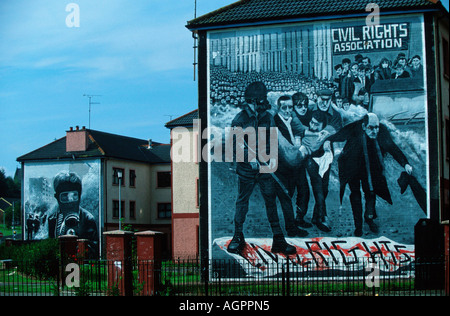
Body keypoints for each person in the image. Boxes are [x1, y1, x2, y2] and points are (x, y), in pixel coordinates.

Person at [227, 82, 297, 256]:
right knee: (242, 202)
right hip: (246, 170)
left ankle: (278, 240)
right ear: (253, 101)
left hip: (265, 168)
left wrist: (270, 161)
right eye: (262, 99)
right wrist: (250, 158)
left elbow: (272, 141)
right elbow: (235, 145)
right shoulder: (240, 119)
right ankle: (237, 236)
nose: (265, 102)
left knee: (271, 202)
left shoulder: (267, 117)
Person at [327, 113, 413, 236]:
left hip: (371, 167)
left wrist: (405, 164)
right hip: (352, 165)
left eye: (376, 127)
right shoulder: (354, 128)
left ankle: (369, 217)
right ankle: (358, 226)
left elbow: (392, 147)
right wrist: (327, 142)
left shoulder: (381, 131)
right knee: (355, 194)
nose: (374, 131)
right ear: (363, 126)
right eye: (371, 128)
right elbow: (337, 136)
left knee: (371, 192)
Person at [274, 95, 309, 237]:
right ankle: (291, 228)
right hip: (284, 164)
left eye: (290, 107)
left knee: (304, 190)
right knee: (287, 196)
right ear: (279, 108)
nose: (288, 110)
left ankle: (299, 218)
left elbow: (301, 132)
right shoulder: (275, 121)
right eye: (285, 108)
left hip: (297, 161)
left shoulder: (292, 119)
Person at [47, 171, 98, 257]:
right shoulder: (52, 219)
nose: (70, 201)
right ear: (57, 197)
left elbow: (93, 248)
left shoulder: (87, 219)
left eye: (74, 195)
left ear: (80, 196)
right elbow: (51, 244)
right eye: (64, 196)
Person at [302, 110, 334, 232]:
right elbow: (312, 146)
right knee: (318, 187)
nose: (313, 126)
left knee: (324, 188)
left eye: (317, 124)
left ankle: (316, 216)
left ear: (323, 125)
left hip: (325, 159)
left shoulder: (327, 130)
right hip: (311, 160)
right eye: (312, 122)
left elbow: (333, 129)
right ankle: (322, 217)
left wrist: (327, 138)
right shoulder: (307, 133)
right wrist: (325, 138)